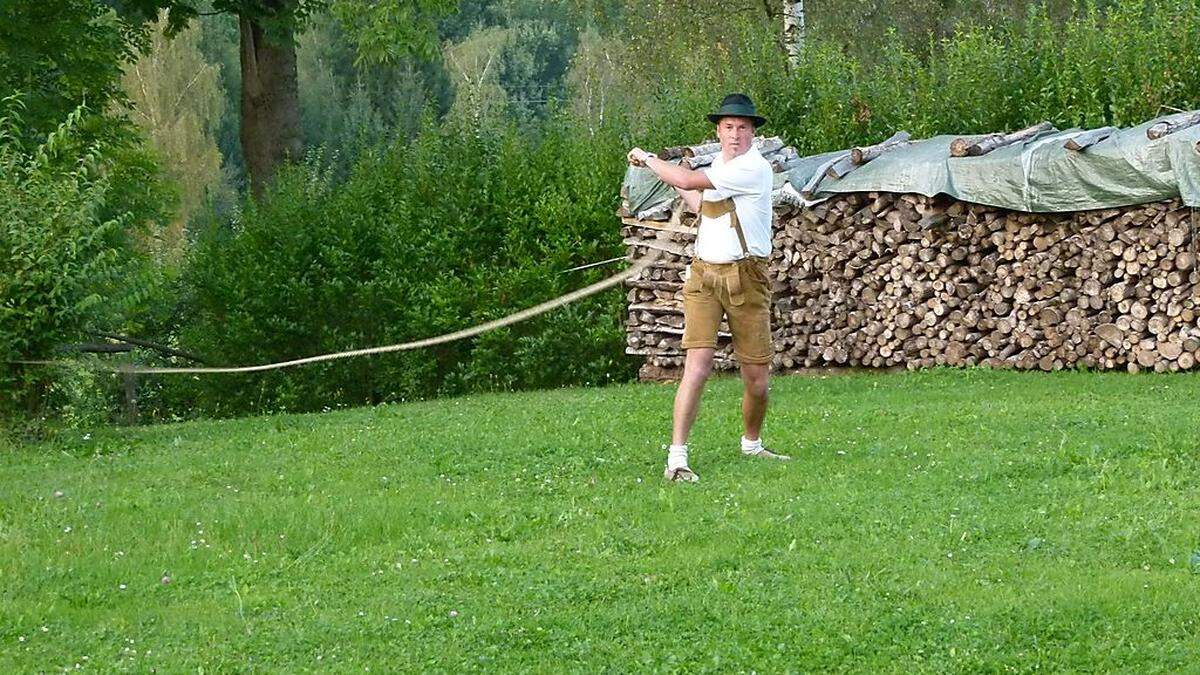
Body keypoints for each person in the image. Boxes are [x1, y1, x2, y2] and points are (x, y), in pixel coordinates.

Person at [627, 92, 790, 483]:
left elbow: (685, 178)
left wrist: (649, 159)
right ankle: (677, 459)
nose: (736, 135)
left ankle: (751, 443)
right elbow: (703, 204)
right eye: (729, 127)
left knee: (757, 379)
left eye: (743, 128)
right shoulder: (720, 163)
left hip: (746, 278)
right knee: (696, 368)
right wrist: (667, 177)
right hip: (703, 276)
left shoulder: (754, 168)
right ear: (718, 131)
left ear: (753, 134)